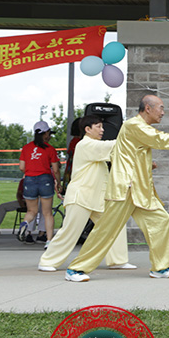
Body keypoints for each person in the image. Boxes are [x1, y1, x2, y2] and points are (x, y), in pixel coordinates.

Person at [64, 95, 169, 282]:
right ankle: (76, 269)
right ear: (148, 108)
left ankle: (161, 268)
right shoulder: (134, 125)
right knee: (106, 230)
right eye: (161, 108)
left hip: (140, 190)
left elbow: (129, 154)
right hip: (125, 188)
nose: (163, 112)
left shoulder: (139, 128)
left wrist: (148, 165)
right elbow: (161, 140)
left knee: (161, 220)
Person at [37, 115, 134, 272]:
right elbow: (114, 146)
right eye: (98, 127)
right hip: (81, 197)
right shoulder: (85, 144)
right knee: (70, 231)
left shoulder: (95, 147)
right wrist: (133, 135)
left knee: (115, 225)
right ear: (87, 129)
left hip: (97, 198)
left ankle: (118, 260)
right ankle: (47, 262)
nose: (102, 130)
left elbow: (117, 155)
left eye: (102, 127)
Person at [18, 121, 62, 244]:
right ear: (46, 133)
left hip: (29, 180)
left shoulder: (26, 148)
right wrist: (58, 183)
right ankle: (48, 241)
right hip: (45, 180)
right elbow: (56, 169)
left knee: (31, 211)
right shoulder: (50, 149)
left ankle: (25, 223)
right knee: (47, 213)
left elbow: (22, 167)